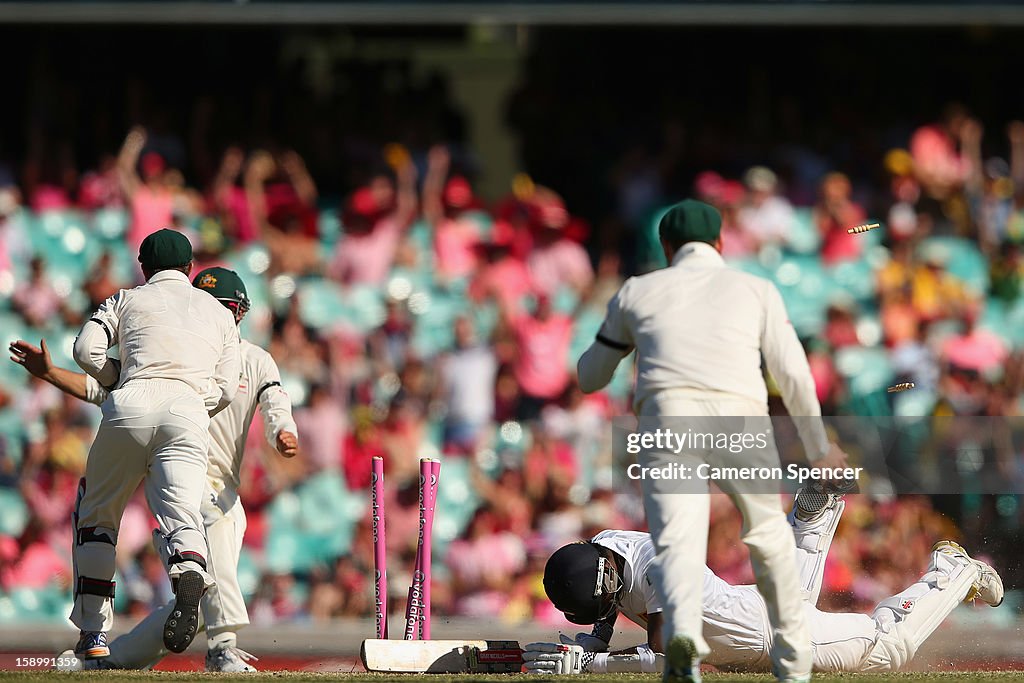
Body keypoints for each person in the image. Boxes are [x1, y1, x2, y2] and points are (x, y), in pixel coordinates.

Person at [576, 200, 848, 683]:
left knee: (676, 560)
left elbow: (591, 376)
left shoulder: (638, 290)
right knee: (770, 548)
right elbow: (794, 373)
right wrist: (819, 444)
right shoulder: (756, 288)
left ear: (665, 247)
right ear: (720, 244)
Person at [10, 266, 299, 672]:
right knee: (204, 557)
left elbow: (276, 404)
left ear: (240, 313)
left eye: (226, 307)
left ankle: (112, 660)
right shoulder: (168, 349)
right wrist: (51, 374)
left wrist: (284, 431)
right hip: (182, 478)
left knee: (199, 601)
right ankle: (222, 651)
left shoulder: (254, 360)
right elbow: (101, 389)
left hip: (225, 489)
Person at [525, 489, 1004, 675]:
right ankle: (812, 518)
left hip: (776, 638)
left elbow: (666, 658)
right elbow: (607, 598)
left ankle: (952, 571)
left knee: (890, 646)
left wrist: (593, 664)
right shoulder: (607, 546)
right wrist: (593, 641)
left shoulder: (659, 570)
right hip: (751, 613)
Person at [67, 230, 241, 661]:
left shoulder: (126, 298)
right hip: (186, 412)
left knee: (98, 515)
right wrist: (193, 405)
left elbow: (85, 350)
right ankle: (187, 568)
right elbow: (227, 387)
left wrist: (114, 379)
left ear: (144, 266)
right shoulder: (217, 311)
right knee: (181, 515)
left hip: (130, 402)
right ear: (190, 268)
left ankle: (93, 635)